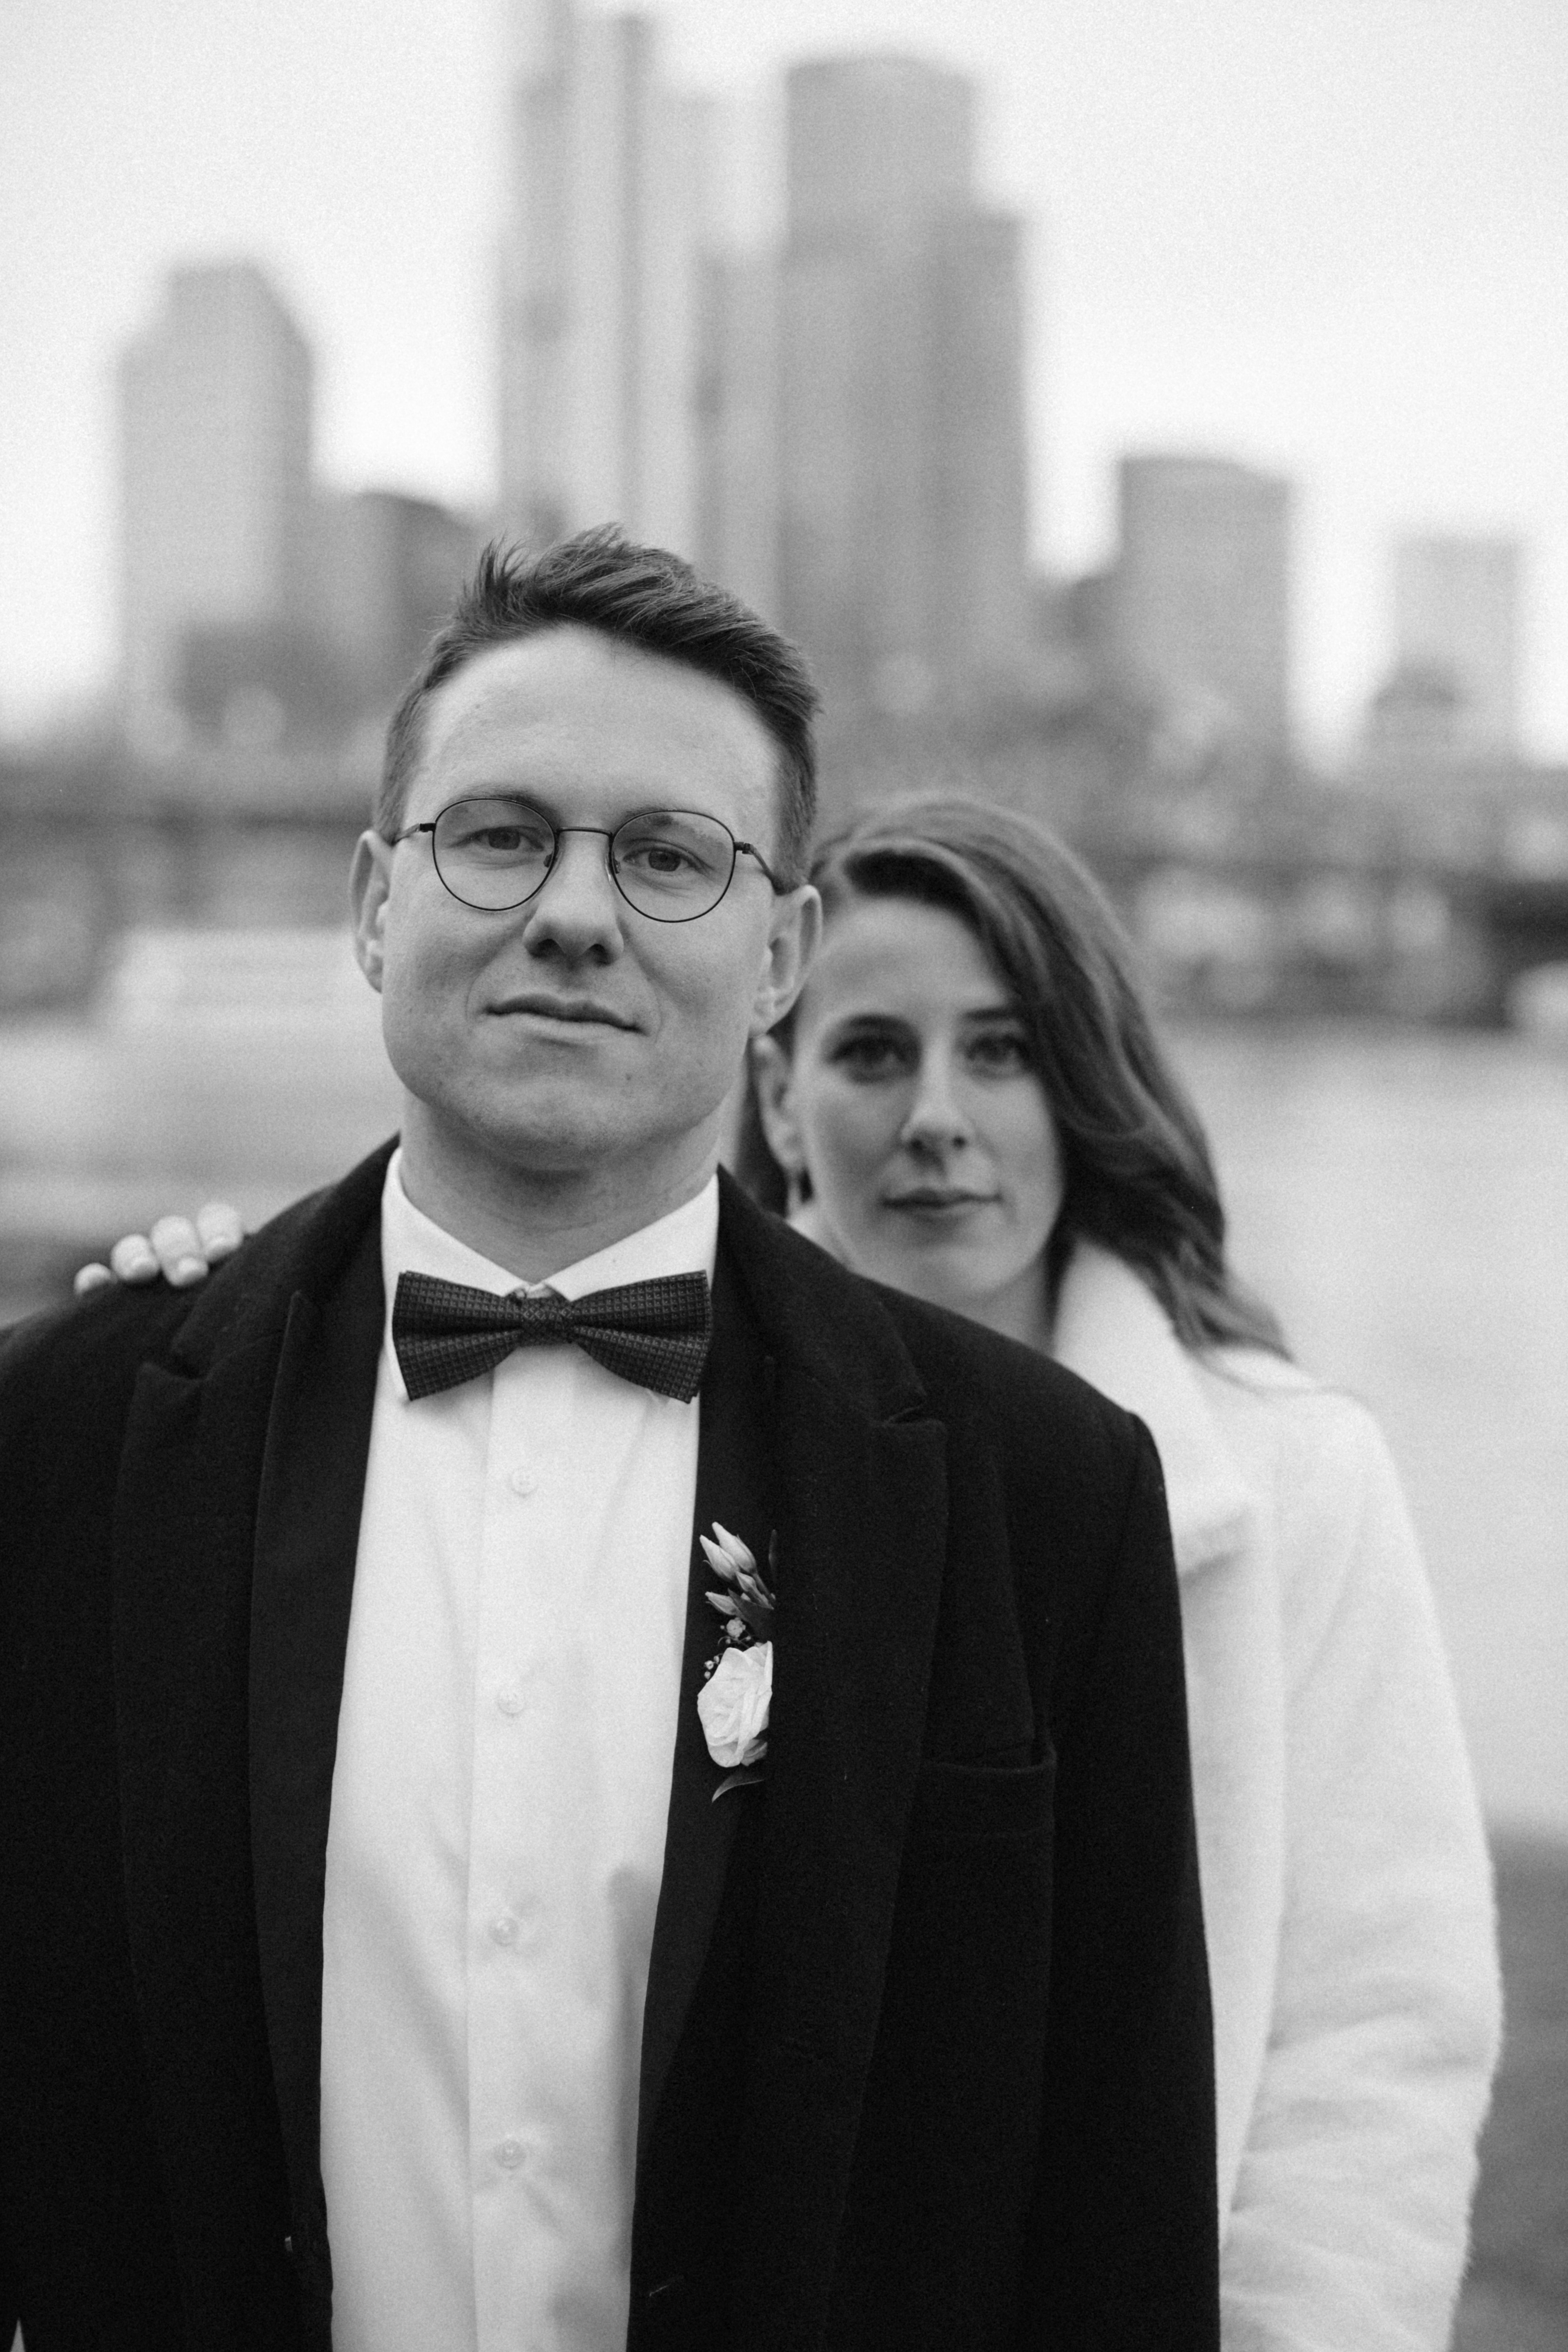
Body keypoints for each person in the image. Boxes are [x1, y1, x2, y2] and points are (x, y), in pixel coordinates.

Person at [1, 534, 1221, 2352]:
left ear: (781, 953)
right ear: (374, 906)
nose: (576, 914)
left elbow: (1119, 2214)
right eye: (501, 836)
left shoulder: (1048, 1494)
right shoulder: (58, 1445)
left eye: (666, 856)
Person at [731, 798, 1498, 2351]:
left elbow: (1377, 2027)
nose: (937, 1116)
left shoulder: (1291, 1475)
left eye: (1002, 1051)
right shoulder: (670, 1439)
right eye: (872, 1052)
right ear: (780, 1096)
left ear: (1080, 1083)